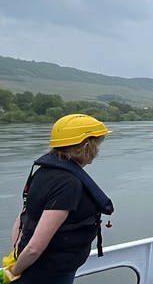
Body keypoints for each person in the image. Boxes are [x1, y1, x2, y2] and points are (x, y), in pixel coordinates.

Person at [4, 114, 114, 284]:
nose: (98, 150)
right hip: (49, 272)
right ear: (86, 146)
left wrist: (16, 253)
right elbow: (34, 248)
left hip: (33, 266)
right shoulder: (68, 184)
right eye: (97, 143)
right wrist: (14, 272)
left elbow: (23, 216)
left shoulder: (42, 171)